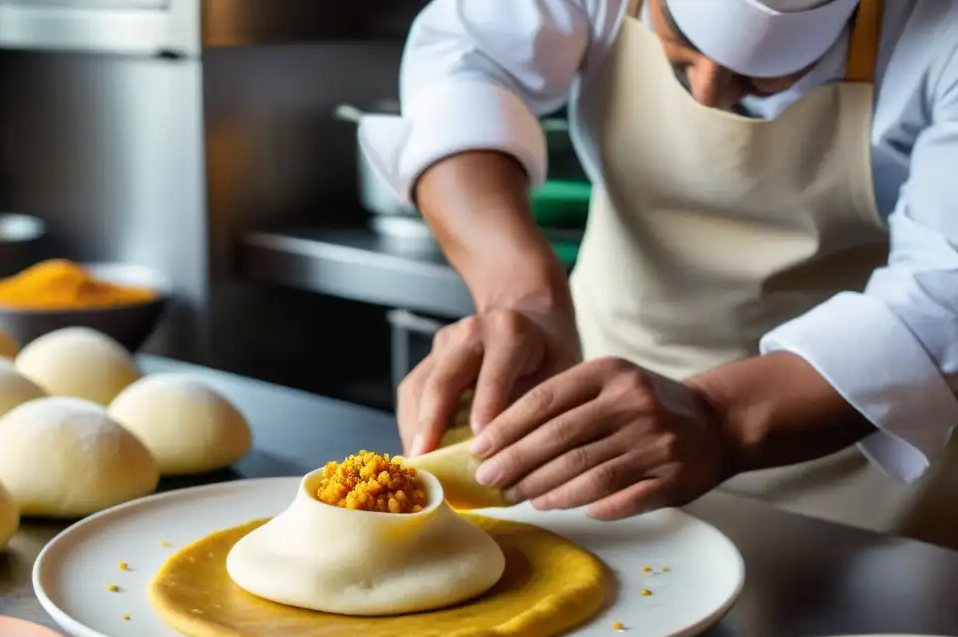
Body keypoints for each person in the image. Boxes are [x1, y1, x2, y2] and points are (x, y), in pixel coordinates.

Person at [360, 0, 958, 538]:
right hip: (590, 413)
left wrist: (718, 420)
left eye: (757, 76)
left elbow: (936, 302)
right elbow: (465, 65)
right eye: (680, 55)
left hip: (849, 453)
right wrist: (520, 297)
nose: (708, 95)